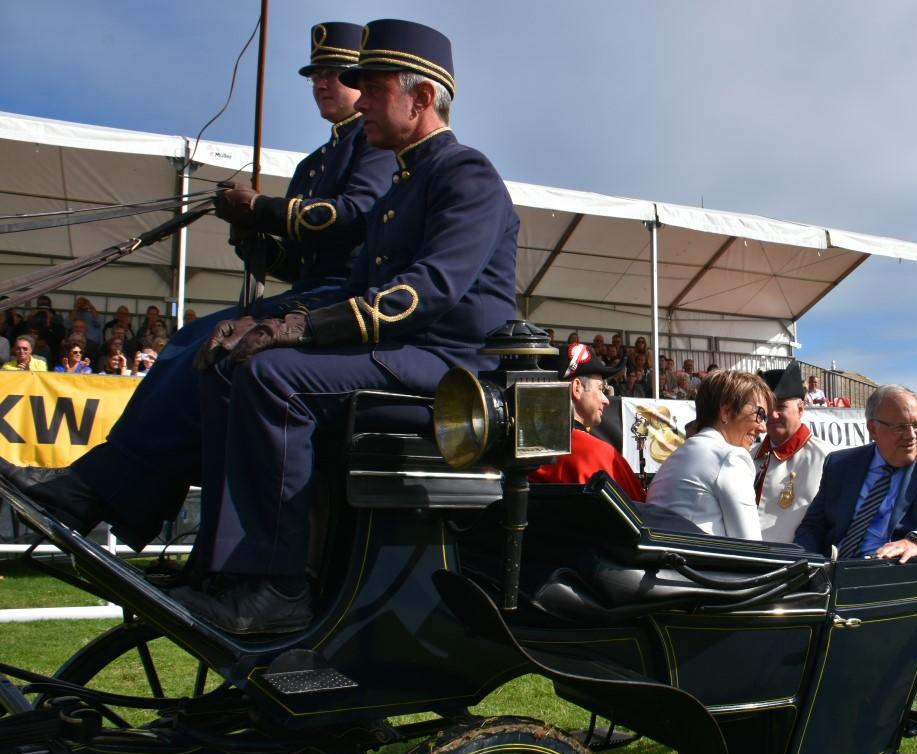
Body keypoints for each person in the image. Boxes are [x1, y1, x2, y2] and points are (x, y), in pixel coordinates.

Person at [157, 18, 520, 634]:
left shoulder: (466, 174)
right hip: (406, 352)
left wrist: (299, 332)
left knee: (276, 379)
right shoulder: (403, 184)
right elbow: (356, 288)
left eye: (372, 88)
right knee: (232, 361)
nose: (361, 101)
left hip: (449, 366)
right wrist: (268, 320)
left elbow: (426, 291)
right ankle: (221, 567)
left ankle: (277, 587)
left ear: (422, 97)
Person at [0, 21, 398, 552]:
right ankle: (107, 491)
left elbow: (351, 217)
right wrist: (258, 242)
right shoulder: (312, 165)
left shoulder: (372, 146)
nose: (323, 84)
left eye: (336, 75)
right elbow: (299, 258)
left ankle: (108, 493)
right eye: (316, 76)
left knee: (199, 346)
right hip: (313, 286)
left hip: (345, 297)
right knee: (186, 346)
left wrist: (262, 209)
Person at [794, 384, 917, 563]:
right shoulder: (840, 465)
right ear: (873, 429)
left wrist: (916, 541)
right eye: (900, 427)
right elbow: (812, 526)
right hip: (834, 572)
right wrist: (808, 567)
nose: (911, 435)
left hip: (893, 576)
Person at [647, 370, 771, 539]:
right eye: (760, 414)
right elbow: (751, 549)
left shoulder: (675, 458)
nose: (763, 427)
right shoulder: (731, 458)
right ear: (726, 412)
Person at [531, 343, 646, 502]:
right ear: (577, 388)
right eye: (600, 388)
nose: (606, 400)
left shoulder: (520, 452)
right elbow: (643, 513)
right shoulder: (599, 455)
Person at [753, 362, 832, 543]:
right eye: (767, 408)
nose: (772, 415)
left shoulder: (826, 458)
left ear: (801, 409)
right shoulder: (749, 455)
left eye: (780, 407)